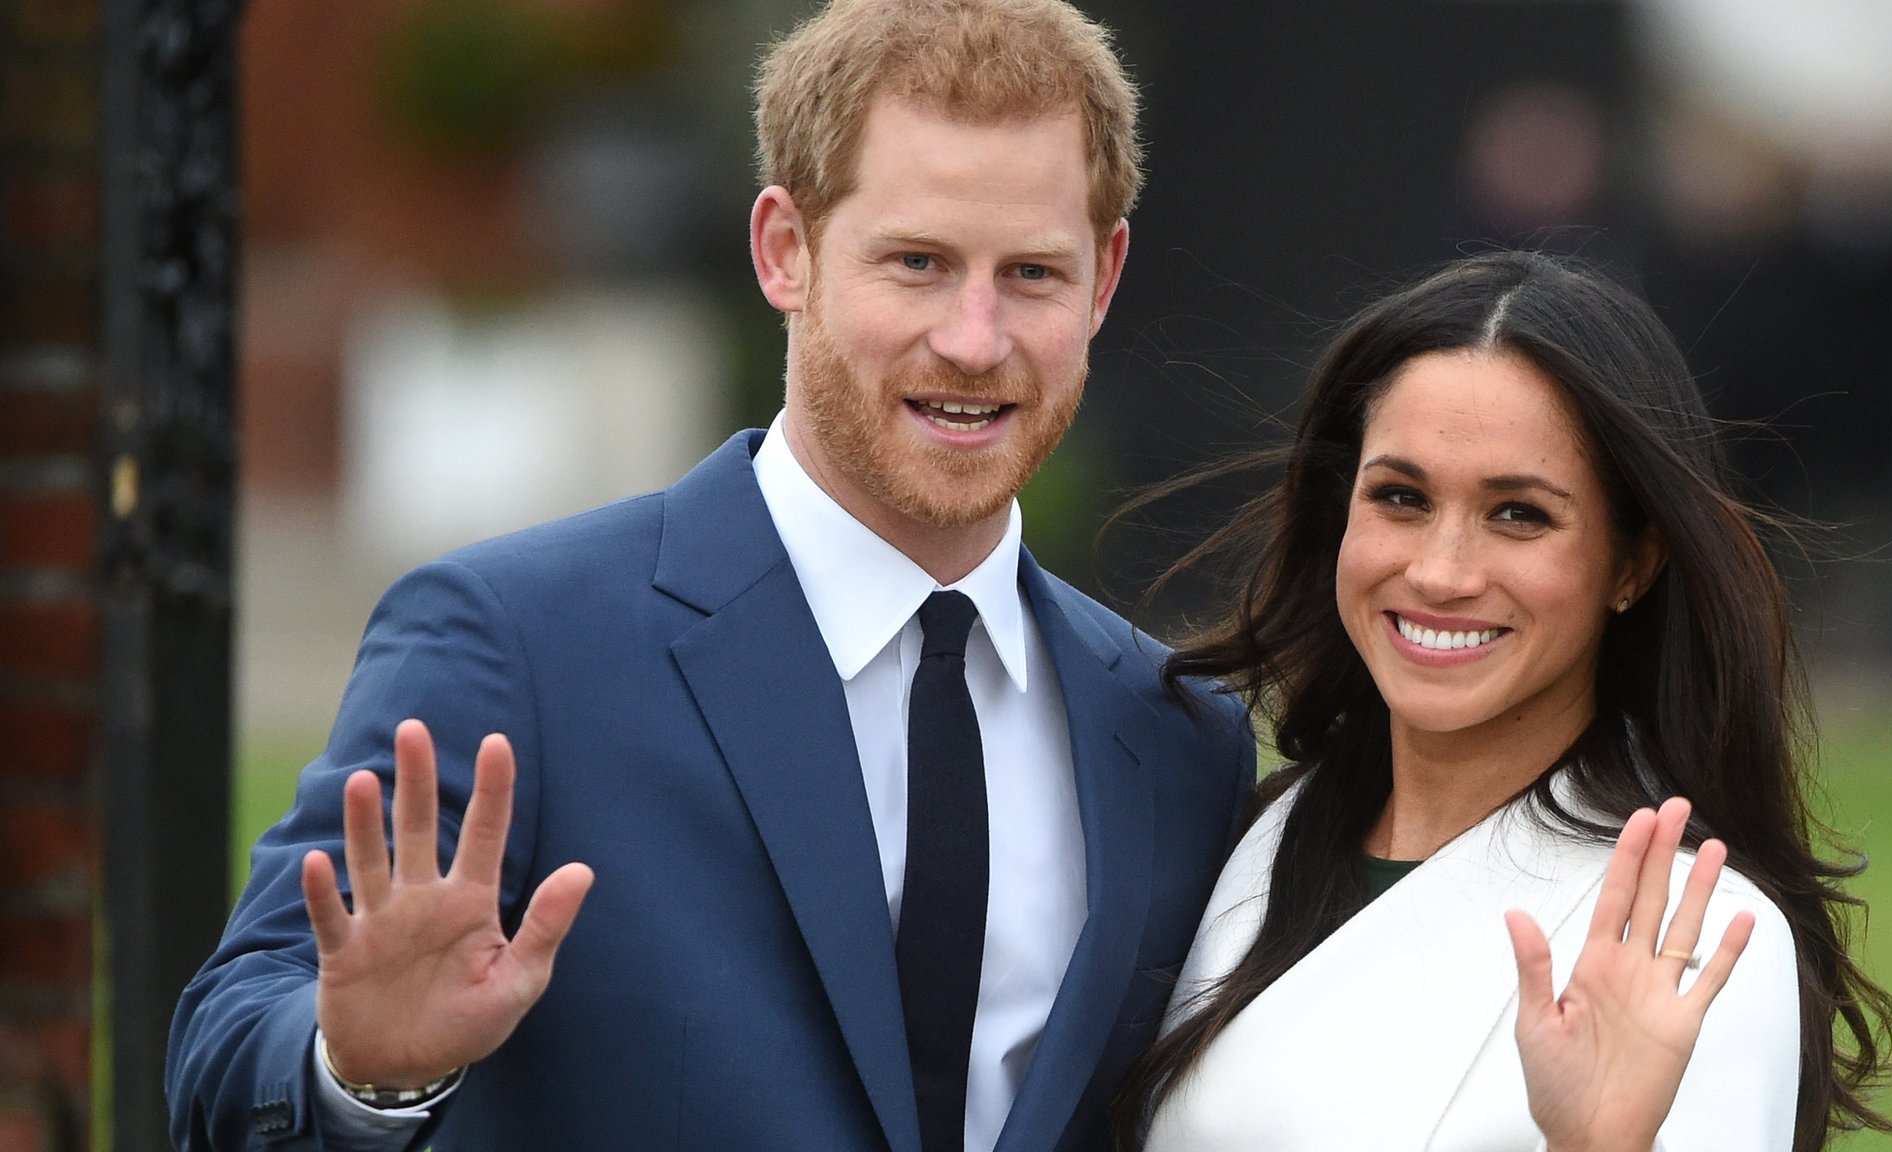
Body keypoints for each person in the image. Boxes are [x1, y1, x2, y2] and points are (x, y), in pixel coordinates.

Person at [166, 2, 1255, 1149]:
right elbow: (221, 1063)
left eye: (1031, 273)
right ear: (784, 249)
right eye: (918, 262)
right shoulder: (518, 646)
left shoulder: (1177, 738)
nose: (974, 339)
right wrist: (361, 1070)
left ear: (1104, 278)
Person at [1115, 252, 1892, 1151]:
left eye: (1518, 514)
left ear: (1631, 563)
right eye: (1401, 497)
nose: (1440, 571)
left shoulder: (1687, 930)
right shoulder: (1250, 837)